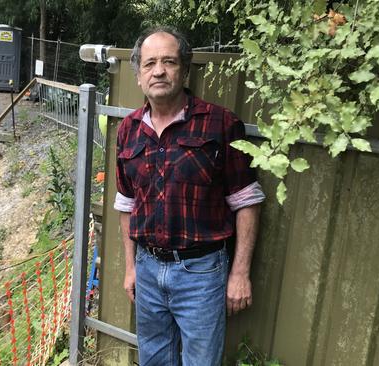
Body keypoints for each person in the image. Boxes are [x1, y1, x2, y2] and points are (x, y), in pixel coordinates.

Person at [113, 26, 265, 366]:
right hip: (148, 270)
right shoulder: (128, 130)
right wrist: (130, 267)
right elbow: (126, 204)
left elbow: (246, 201)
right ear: (138, 75)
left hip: (202, 273)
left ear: (184, 69)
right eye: (150, 63)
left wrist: (239, 273)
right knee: (153, 359)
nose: (159, 71)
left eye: (169, 61)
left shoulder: (221, 124)